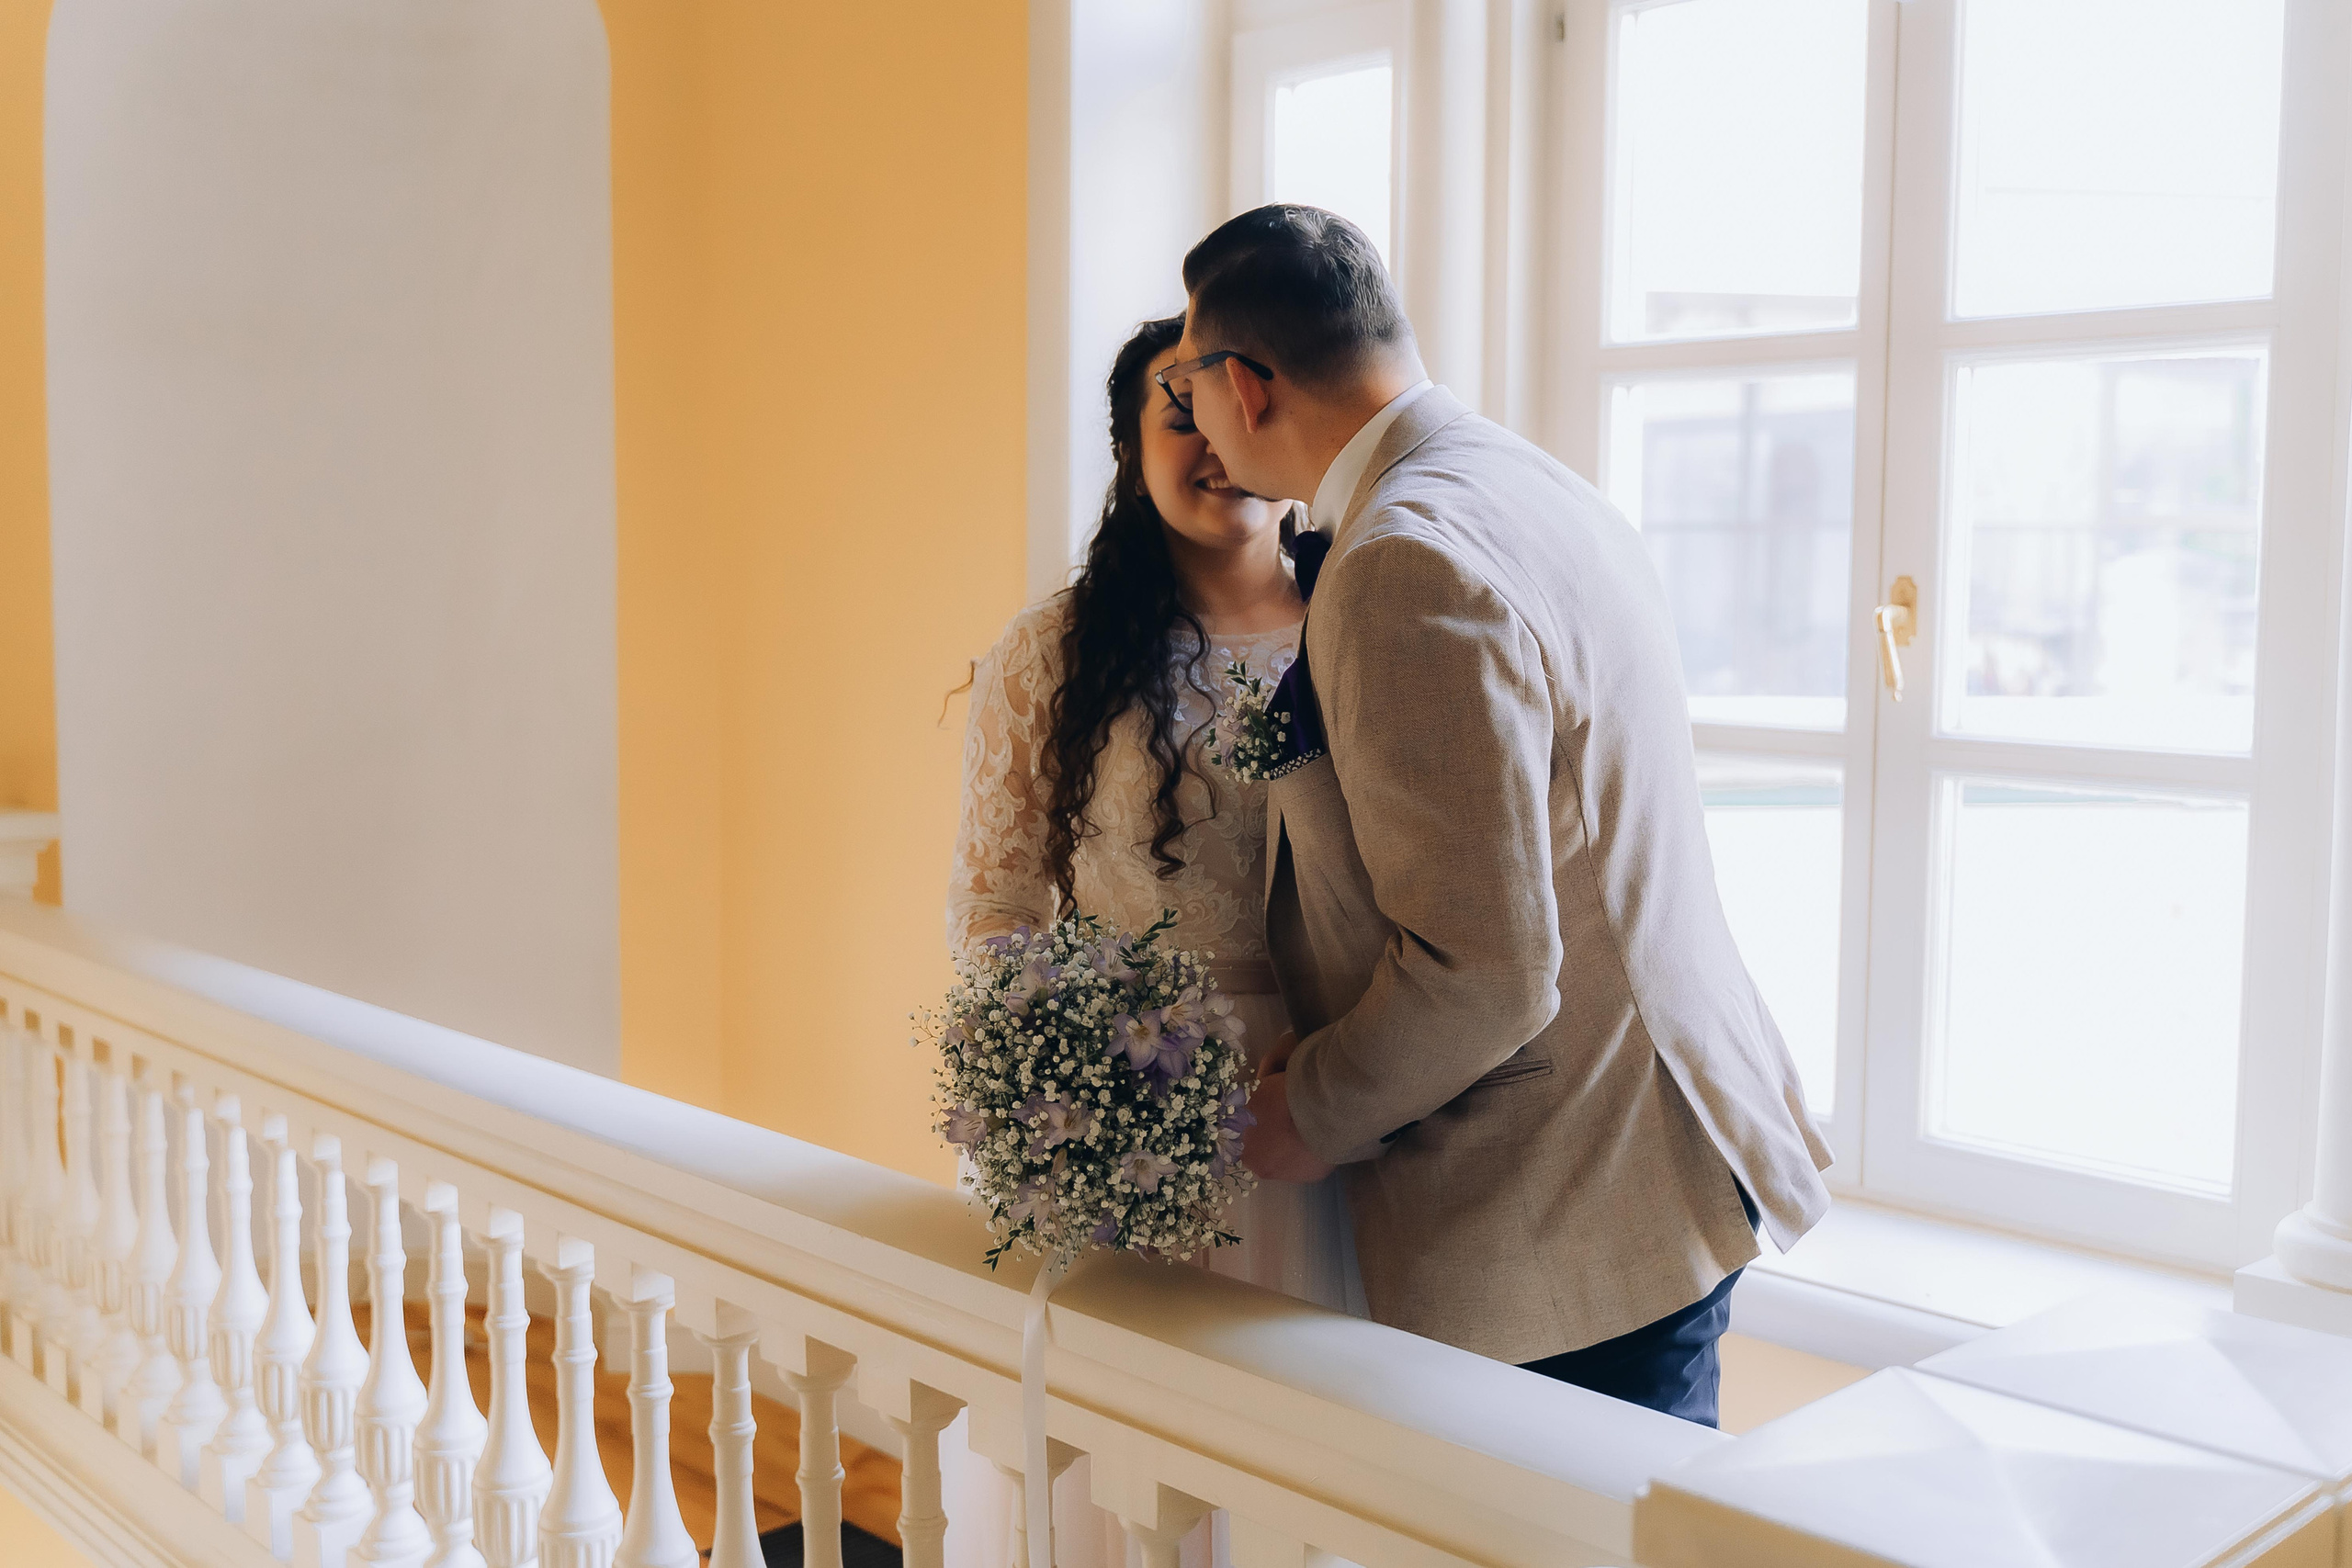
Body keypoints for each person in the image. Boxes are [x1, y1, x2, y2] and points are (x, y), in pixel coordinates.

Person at [1167, 205, 1833, 1427]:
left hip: (1558, 1206)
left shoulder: (1400, 563)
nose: (1193, 425)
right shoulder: (1524, 480)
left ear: (1248, 386)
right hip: (1654, 1149)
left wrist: (1300, 1115)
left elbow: (1484, 971)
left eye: (1190, 386)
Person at [946, 312, 1365, 1568]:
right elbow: (995, 907)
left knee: (1293, 1468)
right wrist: (1054, 1081)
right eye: (1176, 414)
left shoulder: (1357, 621)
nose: (1213, 441)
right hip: (1118, 1131)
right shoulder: (1054, 654)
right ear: (1131, 447)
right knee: (1116, 1475)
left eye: (1235, 408)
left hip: (1322, 1121)